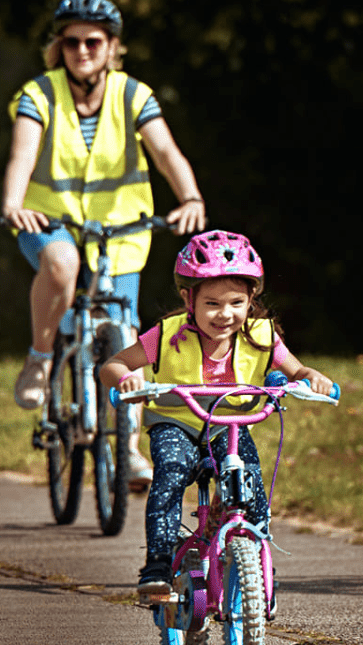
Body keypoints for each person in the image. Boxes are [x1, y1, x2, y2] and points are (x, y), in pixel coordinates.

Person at [0, 0, 210, 487]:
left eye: (93, 40)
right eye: (70, 40)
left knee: (125, 335)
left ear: (113, 46)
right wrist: (13, 203)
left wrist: (191, 196)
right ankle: (40, 357)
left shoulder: (133, 94)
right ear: (59, 46)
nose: (81, 49)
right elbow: (22, 156)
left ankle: (130, 450)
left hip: (120, 232)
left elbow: (166, 152)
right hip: (50, 223)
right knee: (62, 265)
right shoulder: (39, 94)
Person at [98, 231, 334, 600]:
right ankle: (157, 565)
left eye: (236, 302)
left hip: (230, 428)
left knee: (251, 485)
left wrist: (312, 378)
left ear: (251, 297)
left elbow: (298, 372)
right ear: (187, 299)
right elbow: (113, 364)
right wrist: (127, 381)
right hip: (178, 424)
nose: (225, 315)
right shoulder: (166, 335)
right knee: (170, 477)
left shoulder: (262, 336)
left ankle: (254, 563)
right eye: (211, 304)